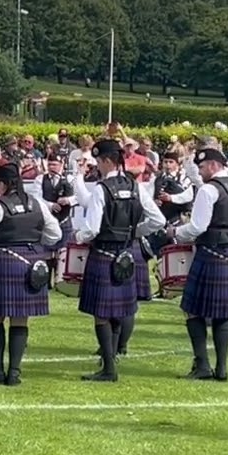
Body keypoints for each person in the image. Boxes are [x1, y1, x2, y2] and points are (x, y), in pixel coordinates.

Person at [74, 139, 165, 382]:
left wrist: (78, 236)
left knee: (102, 314)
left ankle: (108, 368)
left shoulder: (101, 189)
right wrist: (134, 232)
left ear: (106, 160)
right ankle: (110, 362)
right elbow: (158, 221)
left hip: (104, 254)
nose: (97, 166)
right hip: (126, 255)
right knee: (117, 311)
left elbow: (92, 229)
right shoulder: (136, 187)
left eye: (98, 162)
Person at [169, 148, 228, 381]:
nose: (200, 173)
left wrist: (175, 233)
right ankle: (221, 369)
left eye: (202, 168)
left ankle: (202, 365)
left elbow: (197, 227)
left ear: (213, 165)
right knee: (223, 314)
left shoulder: (209, 189)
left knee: (192, 310)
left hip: (210, 254)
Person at [0, 164, 62, 385]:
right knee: (20, 318)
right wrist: (36, 242)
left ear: (2, 183)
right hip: (31, 263)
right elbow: (55, 234)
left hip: (4, 261)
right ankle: (14, 372)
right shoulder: (37, 204)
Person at [38, 153, 77, 284]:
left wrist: (68, 200)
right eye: (49, 164)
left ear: (61, 165)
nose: (51, 167)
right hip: (48, 220)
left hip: (64, 220)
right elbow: (37, 198)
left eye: (54, 164)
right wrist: (50, 205)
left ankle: (60, 280)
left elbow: (79, 196)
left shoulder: (70, 179)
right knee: (47, 251)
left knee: (63, 251)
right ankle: (46, 280)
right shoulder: (40, 179)